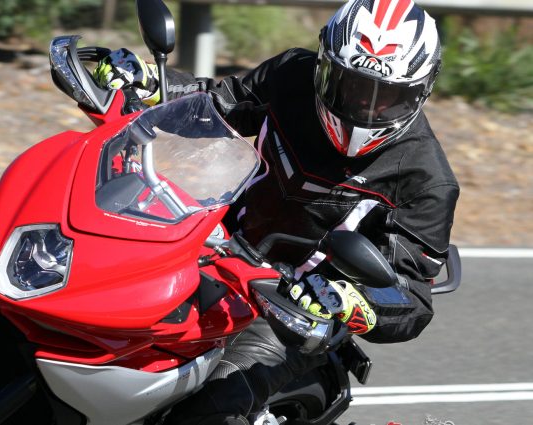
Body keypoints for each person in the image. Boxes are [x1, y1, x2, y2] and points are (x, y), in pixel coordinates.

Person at [95, 0, 459, 424]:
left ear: (422, 91)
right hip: (212, 248)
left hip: (296, 311)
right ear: (324, 65)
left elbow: (412, 297)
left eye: (388, 98)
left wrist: (349, 300)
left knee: (204, 411)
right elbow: (216, 103)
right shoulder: (292, 76)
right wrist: (149, 83)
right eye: (352, 86)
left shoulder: (426, 178)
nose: (365, 107)